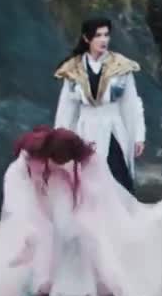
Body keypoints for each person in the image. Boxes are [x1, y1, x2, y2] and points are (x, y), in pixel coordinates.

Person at [0, 126, 162, 296]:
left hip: (70, 190)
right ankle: (43, 282)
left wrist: (81, 209)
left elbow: (97, 196)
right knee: (40, 234)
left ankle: (85, 289)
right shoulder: (30, 159)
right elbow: (21, 201)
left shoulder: (87, 160)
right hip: (40, 186)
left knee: (76, 231)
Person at [53, 18, 146, 194]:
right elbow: (66, 107)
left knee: (118, 178)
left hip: (112, 128)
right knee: (88, 183)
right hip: (85, 130)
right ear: (86, 38)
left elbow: (132, 103)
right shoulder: (73, 68)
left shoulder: (120, 65)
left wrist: (138, 136)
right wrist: (60, 138)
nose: (103, 40)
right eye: (98, 35)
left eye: (106, 35)